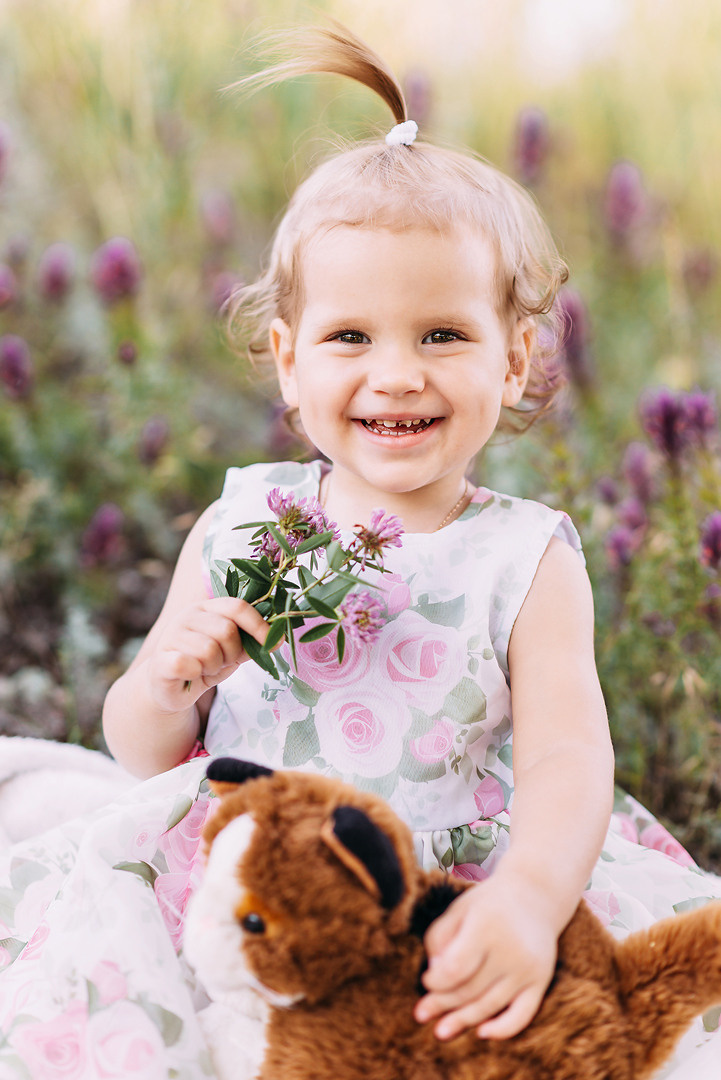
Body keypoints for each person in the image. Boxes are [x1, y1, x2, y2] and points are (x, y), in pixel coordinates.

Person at [1, 23, 719, 1080]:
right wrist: (168, 678)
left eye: (441, 335)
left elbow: (568, 761)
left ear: (516, 359)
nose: (395, 375)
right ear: (288, 363)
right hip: (247, 868)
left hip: (443, 872)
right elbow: (144, 749)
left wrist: (527, 899)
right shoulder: (246, 519)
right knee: (120, 1003)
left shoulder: (524, 556)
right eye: (350, 338)